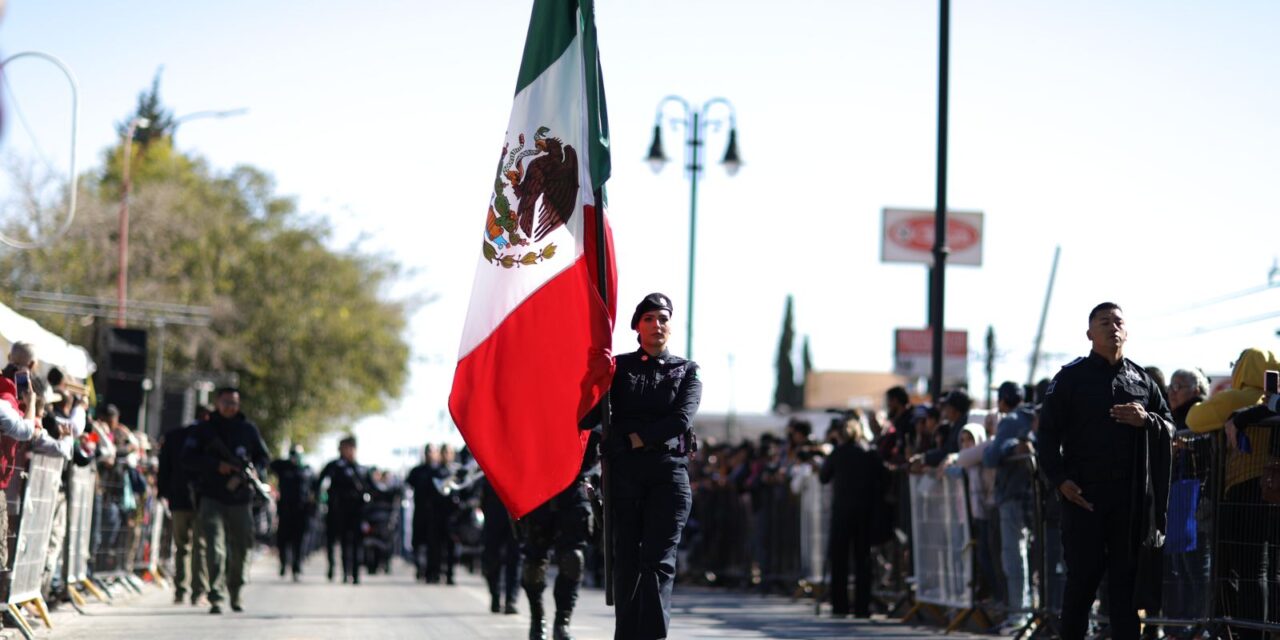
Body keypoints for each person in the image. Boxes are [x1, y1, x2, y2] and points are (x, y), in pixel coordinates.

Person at [1037, 302, 1173, 640]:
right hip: (1084, 497)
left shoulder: (1142, 380)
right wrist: (1060, 480)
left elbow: (1170, 427)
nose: (1113, 327)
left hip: (1129, 503)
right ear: (1089, 333)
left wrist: (1147, 421)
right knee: (1082, 582)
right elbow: (1046, 434)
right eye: (1104, 322)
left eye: (1118, 321)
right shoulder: (1070, 377)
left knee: (1126, 588)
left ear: (1126, 331)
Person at [590, 293, 702, 640]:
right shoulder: (618, 368)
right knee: (626, 563)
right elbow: (586, 417)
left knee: (656, 563)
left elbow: (681, 418)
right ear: (637, 326)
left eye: (663, 319)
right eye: (650, 318)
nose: (657, 325)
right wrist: (591, 377)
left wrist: (632, 440)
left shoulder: (687, 371)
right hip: (625, 477)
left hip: (667, 474)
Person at [1186, 348, 1280, 640]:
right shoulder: (1271, 401)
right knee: (1267, 569)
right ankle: (1265, 630)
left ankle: (1248, 632)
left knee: (1245, 571)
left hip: (1242, 491)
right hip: (1273, 492)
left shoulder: (1234, 400)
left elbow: (1193, 419)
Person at [182, 387, 270, 614]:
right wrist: (215, 466)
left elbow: (263, 457)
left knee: (242, 547)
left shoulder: (247, 429)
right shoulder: (205, 429)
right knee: (215, 547)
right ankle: (216, 596)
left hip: (240, 498)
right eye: (226, 402)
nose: (230, 406)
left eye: (234, 402)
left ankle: (236, 591)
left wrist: (253, 471)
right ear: (217, 403)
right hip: (212, 496)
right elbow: (188, 458)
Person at [518, 430, 599, 640]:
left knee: (573, 559)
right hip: (539, 484)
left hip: (575, 485)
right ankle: (537, 619)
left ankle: (562, 621)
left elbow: (599, 430)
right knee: (533, 564)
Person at [819, 412, 885, 618]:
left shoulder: (838, 452)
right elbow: (883, 477)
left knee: (840, 559)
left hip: (842, 512)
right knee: (862, 560)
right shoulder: (869, 452)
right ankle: (862, 606)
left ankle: (839, 604)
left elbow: (824, 476)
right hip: (864, 511)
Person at [984, 381, 1037, 632]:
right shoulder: (1033, 416)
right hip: (1035, 496)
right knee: (1034, 559)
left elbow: (991, 457)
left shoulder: (1010, 421)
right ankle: (1027, 613)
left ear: (1003, 399)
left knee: (1013, 557)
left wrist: (998, 441)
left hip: (1013, 496)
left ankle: (1019, 615)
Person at [158, 406, 210, 604]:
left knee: (181, 547)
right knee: (200, 547)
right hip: (202, 500)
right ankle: (199, 592)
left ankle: (180, 590)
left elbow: (164, 468)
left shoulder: (174, 436)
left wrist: (164, 492)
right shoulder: (210, 439)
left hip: (178, 499)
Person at [316, 436, 370, 584]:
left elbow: (371, 489)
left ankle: (355, 573)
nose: (348, 451)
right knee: (341, 542)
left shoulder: (361, 469)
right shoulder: (334, 466)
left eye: (350, 448)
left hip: (357, 512)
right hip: (337, 510)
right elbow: (319, 483)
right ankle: (342, 571)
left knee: (356, 543)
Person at [269, 444, 315, 581]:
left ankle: (296, 567)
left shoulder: (307, 471)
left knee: (299, 540)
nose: (295, 457)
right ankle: (283, 563)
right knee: (283, 540)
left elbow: (315, 489)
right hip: (285, 509)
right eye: (293, 454)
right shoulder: (284, 467)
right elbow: (271, 464)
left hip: (301, 511)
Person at [406, 444, 440, 581]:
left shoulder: (440, 471)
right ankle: (420, 569)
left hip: (436, 513)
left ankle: (433, 572)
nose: (430, 455)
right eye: (428, 452)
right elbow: (408, 485)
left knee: (434, 544)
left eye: (432, 452)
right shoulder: (417, 471)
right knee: (419, 542)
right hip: (420, 511)